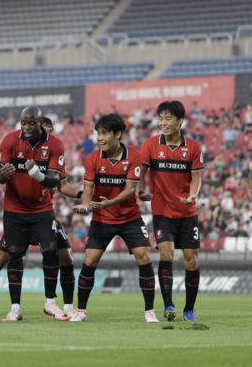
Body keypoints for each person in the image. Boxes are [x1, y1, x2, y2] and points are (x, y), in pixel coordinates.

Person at [0, 106, 70, 322]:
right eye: (24, 122)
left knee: (52, 250)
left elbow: (56, 180)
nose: (27, 127)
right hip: (14, 209)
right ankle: (12, 307)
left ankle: (51, 303)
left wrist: (36, 174)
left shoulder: (56, 145)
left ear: (41, 123)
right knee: (10, 255)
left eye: (32, 123)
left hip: (42, 209)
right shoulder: (10, 140)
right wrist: (2, 174)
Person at [70, 113, 158, 323]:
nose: (100, 138)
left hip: (130, 217)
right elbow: (88, 190)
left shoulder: (134, 156)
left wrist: (109, 202)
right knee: (89, 261)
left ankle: (149, 311)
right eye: (98, 133)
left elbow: (130, 191)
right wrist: (85, 204)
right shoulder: (92, 158)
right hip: (102, 219)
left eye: (104, 133)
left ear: (117, 134)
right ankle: (81, 310)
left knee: (144, 257)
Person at [138, 101, 204, 322]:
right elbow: (141, 173)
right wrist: (141, 191)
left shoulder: (193, 147)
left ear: (180, 121)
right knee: (166, 254)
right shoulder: (149, 145)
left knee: (191, 262)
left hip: (187, 211)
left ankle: (189, 310)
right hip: (162, 211)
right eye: (161, 118)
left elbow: (196, 177)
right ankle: (168, 306)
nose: (163, 123)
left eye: (168, 118)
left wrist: (193, 195)